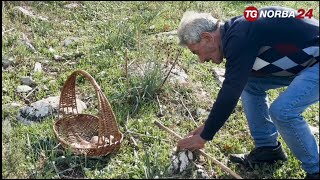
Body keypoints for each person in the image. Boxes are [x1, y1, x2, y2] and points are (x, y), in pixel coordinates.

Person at [176, 6, 319, 179]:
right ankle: (268, 150)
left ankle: (316, 170)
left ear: (207, 37)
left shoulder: (238, 37)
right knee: (250, 83)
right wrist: (207, 127)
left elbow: (230, 91)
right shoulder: (237, 32)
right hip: (307, 62)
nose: (201, 60)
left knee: (283, 112)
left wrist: (206, 135)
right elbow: (237, 82)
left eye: (196, 52)